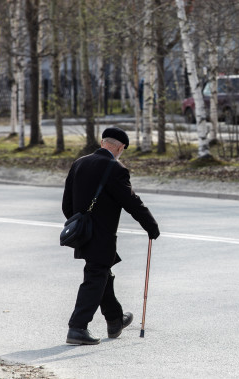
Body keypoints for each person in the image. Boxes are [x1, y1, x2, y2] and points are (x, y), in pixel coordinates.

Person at [62, 127, 160, 345]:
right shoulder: (115, 168)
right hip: (103, 234)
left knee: (103, 273)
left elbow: (66, 205)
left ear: (102, 142)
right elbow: (131, 202)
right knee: (96, 276)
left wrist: (81, 224)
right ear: (120, 147)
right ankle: (77, 327)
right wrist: (151, 226)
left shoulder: (79, 163)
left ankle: (115, 320)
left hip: (82, 232)